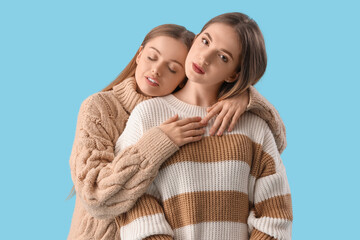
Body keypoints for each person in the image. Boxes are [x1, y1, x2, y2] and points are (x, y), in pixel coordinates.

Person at [68, 24, 287, 239]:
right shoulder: (103, 108)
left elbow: (277, 141)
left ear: (185, 76)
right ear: (139, 54)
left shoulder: (228, 116)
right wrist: (158, 143)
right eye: (152, 57)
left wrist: (247, 97)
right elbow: (95, 195)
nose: (156, 70)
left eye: (173, 68)